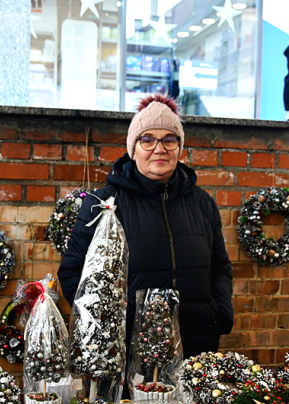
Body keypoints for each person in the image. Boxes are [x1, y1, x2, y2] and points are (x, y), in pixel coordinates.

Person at [58, 94, 234, 360]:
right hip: (129, 349)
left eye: (169, 139)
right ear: (133, 148)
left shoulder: (202, 203)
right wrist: (102, 325)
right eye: (148, 139)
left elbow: (220, 267)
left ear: (179, 147)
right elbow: (73, 271)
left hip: (196, 342)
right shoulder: (103, 203)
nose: (159, 149)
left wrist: (219, 311)